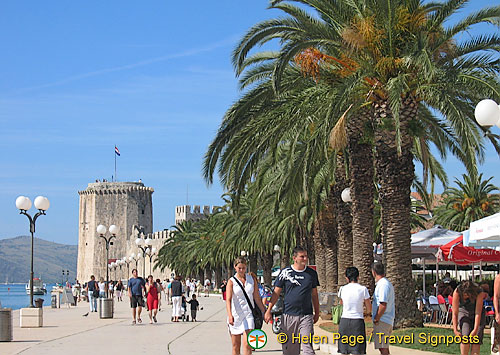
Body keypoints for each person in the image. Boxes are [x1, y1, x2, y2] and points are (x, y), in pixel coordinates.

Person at [264, 246, 320, 355]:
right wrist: (268, 310)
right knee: (290, 350)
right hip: (288, 315)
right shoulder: (285, 273)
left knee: (307, 347)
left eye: (306, 256)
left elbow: (314, 295)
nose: (305, 259)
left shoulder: (311, 274)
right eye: (302, 256)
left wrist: (317, 312)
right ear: (294, 258)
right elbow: (276, 293)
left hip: (306, 315)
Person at [226, 257, 266, 355]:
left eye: (243, 268)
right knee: (236, 346)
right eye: (239, 268)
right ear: (235, 267)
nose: (241, 270)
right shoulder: (231, 281)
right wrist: (230, 315)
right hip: (236, 316)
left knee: (248, 344)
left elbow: (256, 297)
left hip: (249, 315)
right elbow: (228, 299)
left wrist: (264, 311)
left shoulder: (251, 279)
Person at [338, 267, 371, 355]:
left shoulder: (342, 289)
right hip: (357, 321)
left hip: (344, 320)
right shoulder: (363, 289)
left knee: (344, 350)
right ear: (358, 277)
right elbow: (369, 307)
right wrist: (367, 313)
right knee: (357, 350)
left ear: (346, 278)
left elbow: (341, 303)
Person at [452, 280, 486, 355]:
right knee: (465, 335)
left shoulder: (479, 291)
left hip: (477, 313)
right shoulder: (457, 291)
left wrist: (475, 329)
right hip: (463, 311)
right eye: (463, 295)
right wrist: (455, 329)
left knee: (476, 339)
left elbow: (478, 312)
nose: (465, 297)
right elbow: (455, 313)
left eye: (466, 295)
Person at [371, 262, 395, 355]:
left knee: (383, 347)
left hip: (383, 320)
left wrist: (377, 318)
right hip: (385, 320)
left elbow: (383, 304)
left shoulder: (383, 285)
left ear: (374, 272)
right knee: (383, 347)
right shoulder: (384, 283)